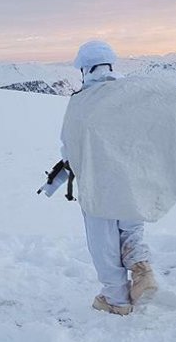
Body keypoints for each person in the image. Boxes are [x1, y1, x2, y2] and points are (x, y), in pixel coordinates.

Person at [61, 41, 158, 316]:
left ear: (84, 68)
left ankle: (116, 299)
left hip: (98, 184)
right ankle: (142, 270)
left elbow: (69, 145)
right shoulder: (130, 93)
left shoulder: (83, 100)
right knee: (131, 228)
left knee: (102, 239)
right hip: (133, 177)